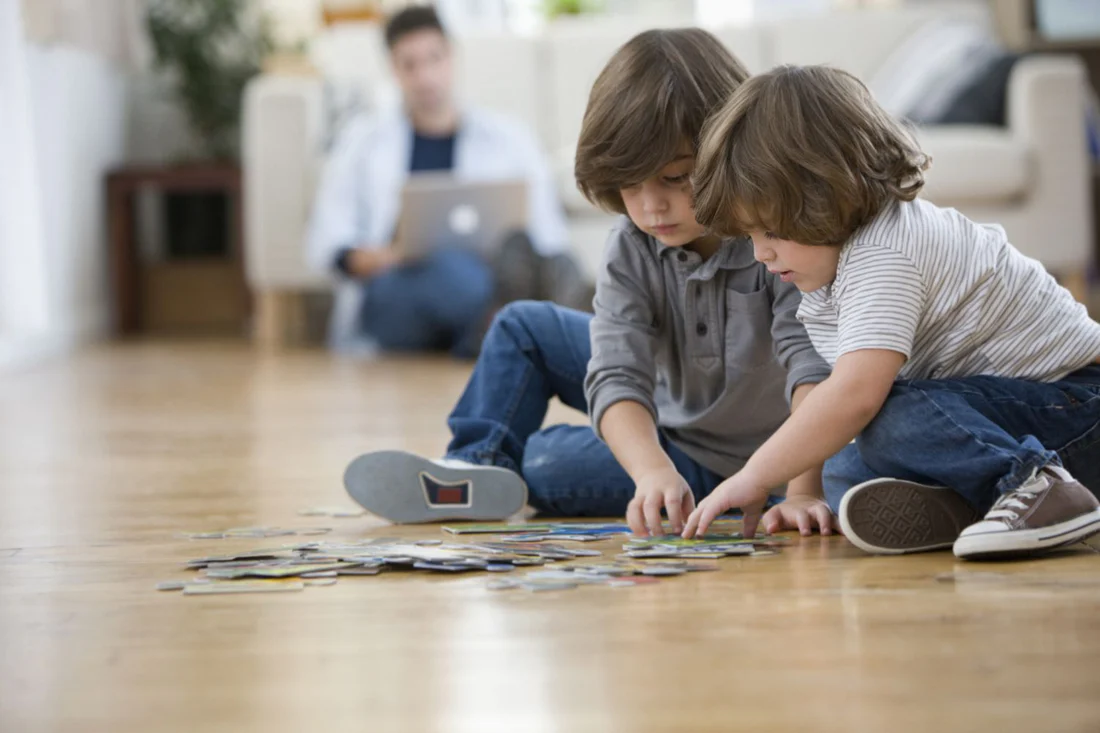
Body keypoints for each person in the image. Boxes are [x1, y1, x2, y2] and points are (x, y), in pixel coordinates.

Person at [342, 29, 834, 538]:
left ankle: (515, 464)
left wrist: (802, 493)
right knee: (521, 326)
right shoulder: (633, 240)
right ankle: (476, 466)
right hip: (670, 426)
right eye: (631, 185)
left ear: (730, 149)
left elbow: (812, 370)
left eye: (675, 178)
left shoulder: (775, 239)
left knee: (546, 463)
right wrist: (650, 471)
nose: (650, 207)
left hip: (757, 462)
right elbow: (617, 370)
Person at [683, 64, 1100, 560]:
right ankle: (989, 502)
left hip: (1075, 407)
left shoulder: (887, 251)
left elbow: (856, 395)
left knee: (885, 419)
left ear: (826, 196)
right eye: (750, 235)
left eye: (771, 232)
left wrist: (754, 476)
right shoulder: (830, 266)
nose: (760, 254)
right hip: (1017, 418)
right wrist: (803, 493)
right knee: (842, 466)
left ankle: (1041, 488)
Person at [307, 5, 587, 356]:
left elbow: (548, 238)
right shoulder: (362, 142)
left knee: (528, 270)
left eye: (434, 59)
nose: (425, 76)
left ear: (452, 58)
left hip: (485, 276)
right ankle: (504, 328)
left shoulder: (509, 139)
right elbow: (330, 241)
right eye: (409, 64)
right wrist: (382, 257)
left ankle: (485, 332)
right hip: (395, 289)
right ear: (393, 70)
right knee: (458, 278)